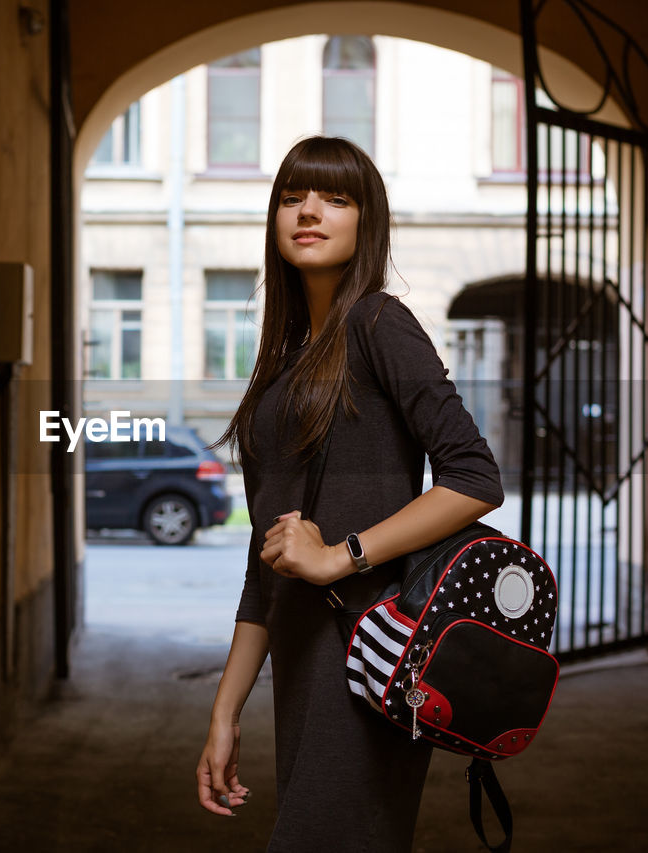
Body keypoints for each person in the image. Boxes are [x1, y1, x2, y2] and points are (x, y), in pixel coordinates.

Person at [194, 136, 505, 852]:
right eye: (293, 196)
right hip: (306, 661)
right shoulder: (285, 362)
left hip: (370, 649)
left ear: (367, 222)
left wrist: (343, 555)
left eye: (336, 198)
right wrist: (225, 708)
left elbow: (474, 476)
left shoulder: (378, 324)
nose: (309, 211)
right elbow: (262, 563)